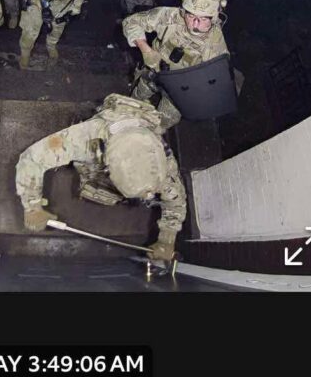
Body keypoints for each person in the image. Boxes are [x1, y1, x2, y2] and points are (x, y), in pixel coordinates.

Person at [15, 93, 186, 261]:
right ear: (107, 165)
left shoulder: (162, 165)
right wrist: (32, 206)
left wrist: (167, 239)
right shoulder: (85, 139)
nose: (149, 197)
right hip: (106, 134)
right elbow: (32, 159)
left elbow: (175, 202)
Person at [122, 0, 229, 129]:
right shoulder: (170, 16)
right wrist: (146, 50)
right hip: (154, 70)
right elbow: (131, 22)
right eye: (190, 16)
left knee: (162, 122)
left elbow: (216, 85)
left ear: (215, 17)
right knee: (136, 97)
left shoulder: (216, 45)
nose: (195, 24)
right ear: (184, 11)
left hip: (180, 89)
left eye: (204, 19)